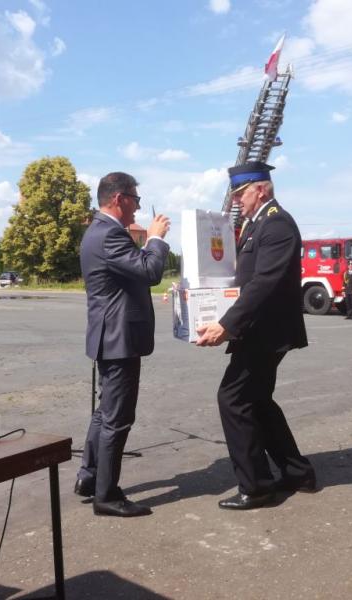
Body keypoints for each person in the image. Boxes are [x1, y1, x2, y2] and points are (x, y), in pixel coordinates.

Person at [195, 161, 316, 510]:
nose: (236, 201)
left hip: (267, 331)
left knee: (233, 399)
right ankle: (297, 472)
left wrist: (227, 325)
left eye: (239, 193)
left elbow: (264, 283)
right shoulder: (257, 223)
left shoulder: (277, 223)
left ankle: (257, 486)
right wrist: (189, 295)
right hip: (259, 329)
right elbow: (240, 278)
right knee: (257, 400)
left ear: (260, 189)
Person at [74, 171, 170, 518]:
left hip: (111, 336)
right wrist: (155, 239)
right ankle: (107, 495)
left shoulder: (99, 231)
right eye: (135, 200)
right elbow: (150, 272)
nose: (137, 207)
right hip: (119, 339)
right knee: (117, 418)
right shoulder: (109, 234)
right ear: (119, 199)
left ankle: (90, 478)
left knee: (105, 413)